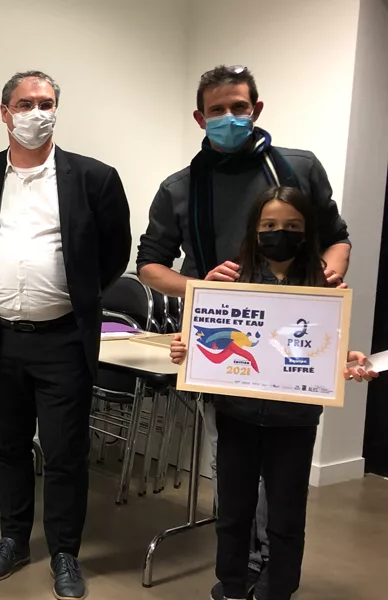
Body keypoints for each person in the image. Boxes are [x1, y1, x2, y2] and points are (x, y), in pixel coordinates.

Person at [136, 65, 351, 598]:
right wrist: (202, 291)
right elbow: (150, 267)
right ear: (199, 117)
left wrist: (327, 276)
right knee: (232, 479)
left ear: (256, 109)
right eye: (217, 110)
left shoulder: (300, 168)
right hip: (226, 357)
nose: (229, 118)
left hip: (293, 358)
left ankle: (273, 576)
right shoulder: (179, 188)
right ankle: (238, 576)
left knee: (283, 490)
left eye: (239, 107)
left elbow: (338, 237)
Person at [0, 70, 131, 600]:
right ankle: (13, 538)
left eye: (46, 103)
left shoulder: (94, 178)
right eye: (25, 103)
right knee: (9, 447)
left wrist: (70, 294)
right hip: (0, 339)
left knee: (64, 452)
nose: (37, 113)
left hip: (63, 341)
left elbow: (113, 254)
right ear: (4, 113)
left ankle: (64, 553)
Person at [167, 186, 376, 600]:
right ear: (255, 229)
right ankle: (231, 584)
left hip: (294, 420)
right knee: (233, 511)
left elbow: (320, 348)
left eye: (293, 226)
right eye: (270, 225)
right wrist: (184, 349)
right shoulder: (232, 280)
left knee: (286, 515)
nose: (281, 233)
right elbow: (209, 339)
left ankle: (277, 589)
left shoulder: (323, 285)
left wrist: (346, 359)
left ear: (307, 231)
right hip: (235, 415)